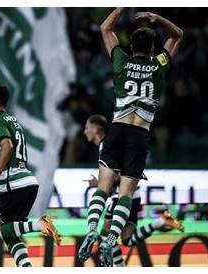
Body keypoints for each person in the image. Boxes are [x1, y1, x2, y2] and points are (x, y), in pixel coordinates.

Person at [78, 8, 183, 267]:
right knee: (126, 193)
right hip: (139, 134)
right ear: (152, 48)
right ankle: (111, 236)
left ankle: (93, 227)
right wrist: (158, 19)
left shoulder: (121, 61)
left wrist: (123, 5)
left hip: (116, 130)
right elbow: (178, 35)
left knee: (103, 189)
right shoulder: (158, 63)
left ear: (131, 45)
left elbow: (105, 28)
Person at [0, 84, 61, 267]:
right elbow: (11, 152)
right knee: (11, 232)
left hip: (13, 184)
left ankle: (40, 225)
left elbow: (7, 147)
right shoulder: (12, 120)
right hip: (27, 181)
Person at [82, 114, 184, 266]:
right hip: (132, 196)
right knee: (128, 239)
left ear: (96, 129)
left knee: (105, 233)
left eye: (87, 127)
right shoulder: (114, 144)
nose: (85, 131)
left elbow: (116, 176)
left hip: (121, 197)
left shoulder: (107, 145)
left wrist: (99, 183)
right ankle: (160, 221)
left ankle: (119, 267)